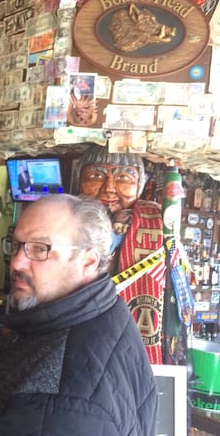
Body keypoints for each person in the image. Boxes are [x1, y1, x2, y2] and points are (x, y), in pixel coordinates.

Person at [0, 194, 158, 436]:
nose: (16, 263)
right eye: (16, 246)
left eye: (40, 248)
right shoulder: (102, 313)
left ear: (88, 261)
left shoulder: (65, 404)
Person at [76, 144, 168, 364]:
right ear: (79, 179)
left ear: (140, 185)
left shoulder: (154, 224)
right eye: (96, 175)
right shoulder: (63, 221)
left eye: (124, 177)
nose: (109, 188)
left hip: (125, 332)